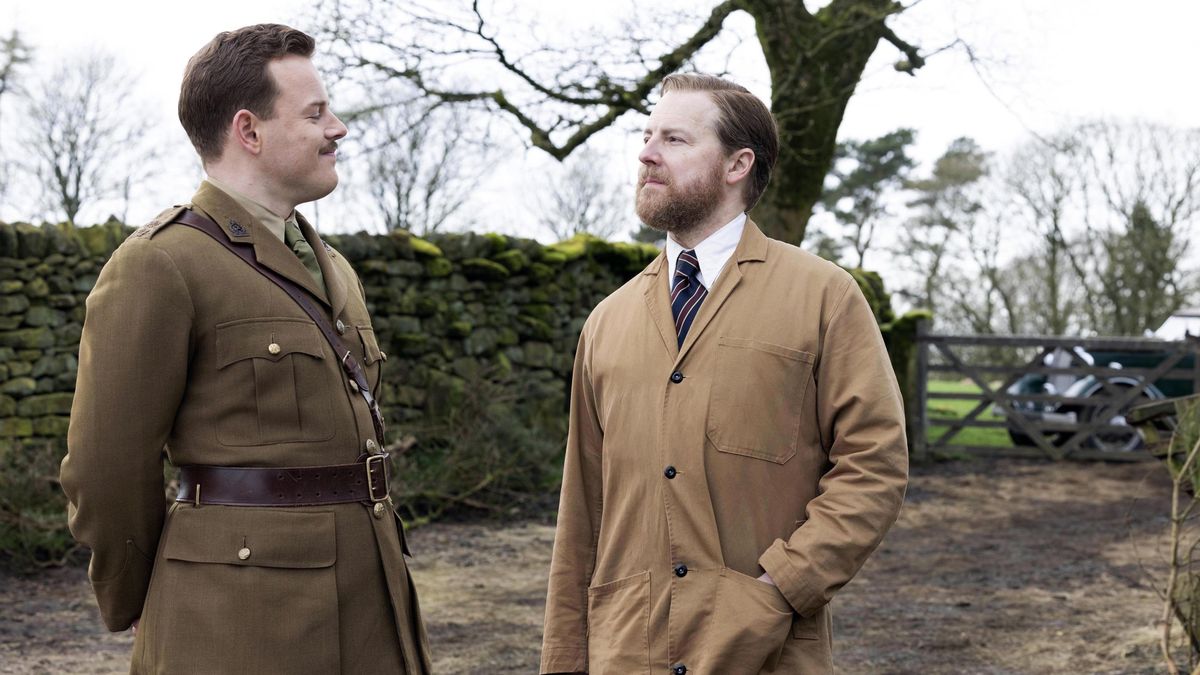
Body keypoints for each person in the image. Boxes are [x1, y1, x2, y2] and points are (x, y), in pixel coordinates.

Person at [60, 24, 430, 674]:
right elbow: (106, 466)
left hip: (373, 607)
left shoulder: (332, 266)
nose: (338, 128)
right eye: (315, 113)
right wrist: (147, 595)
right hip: (244, 622)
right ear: (249, 131)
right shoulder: (163, 264)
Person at [539, 73, 909, 675]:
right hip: (626, 651)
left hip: (766, 652)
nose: (647, 153)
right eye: (646, 135)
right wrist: (563, 659)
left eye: (676, 140)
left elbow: (876, 463)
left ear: (739, 164)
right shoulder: (607, 321)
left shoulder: (824, 296)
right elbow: (581, 510)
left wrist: (783, 584)